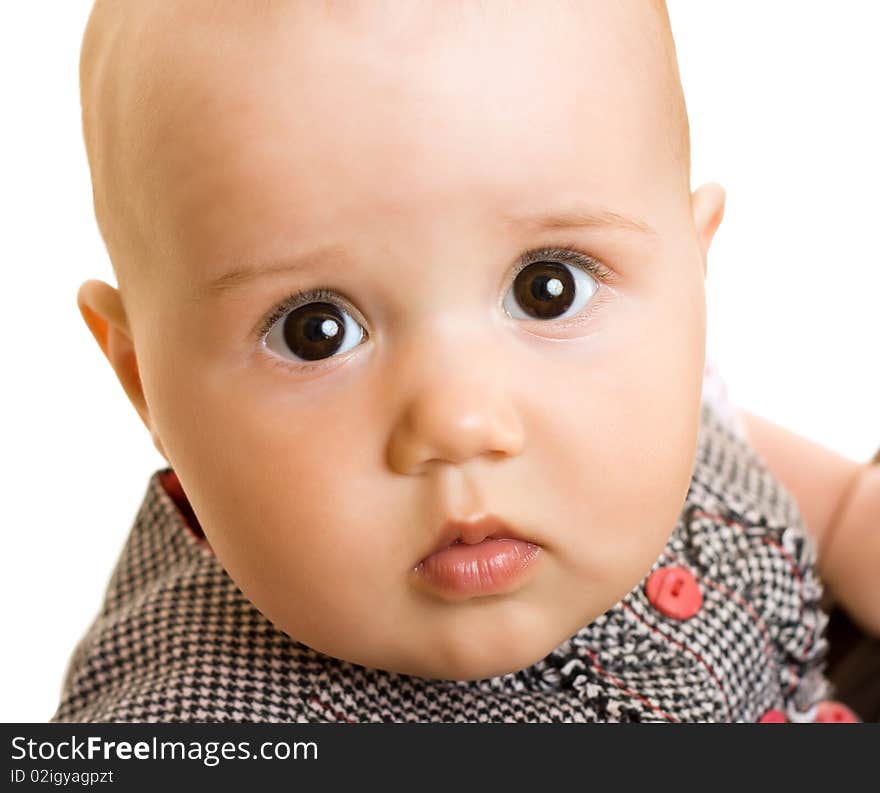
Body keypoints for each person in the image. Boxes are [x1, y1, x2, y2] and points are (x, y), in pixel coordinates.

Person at [52, 0, 877, 722]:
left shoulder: (646, 406)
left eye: (546, 289)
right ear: (142, 384)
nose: (458, 418)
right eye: (316, 331)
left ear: (690, 280)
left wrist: (847, 513)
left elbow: (772, 462)